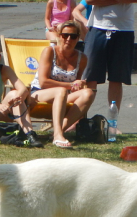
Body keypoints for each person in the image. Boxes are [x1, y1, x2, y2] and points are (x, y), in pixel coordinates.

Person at [29, 21, 95, 149]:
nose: (68, 39)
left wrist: (79, 84)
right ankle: (58, 135)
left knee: (88, 93)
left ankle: (58, 131)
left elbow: (75, 86)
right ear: (59, 36)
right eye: (65, 35)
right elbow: (43, 82)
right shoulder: (49, 51)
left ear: (78, 38)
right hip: (38, 94)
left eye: (73, 36)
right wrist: (70, 85)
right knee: (61, 91)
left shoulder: (82, 58)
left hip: (62, 97)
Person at [83, 0, 137, 114]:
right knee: (89, 77)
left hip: (124, 29)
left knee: (117, 78)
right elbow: (90, 1)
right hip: (98, 27)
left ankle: (113, 123)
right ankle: (81, 119)